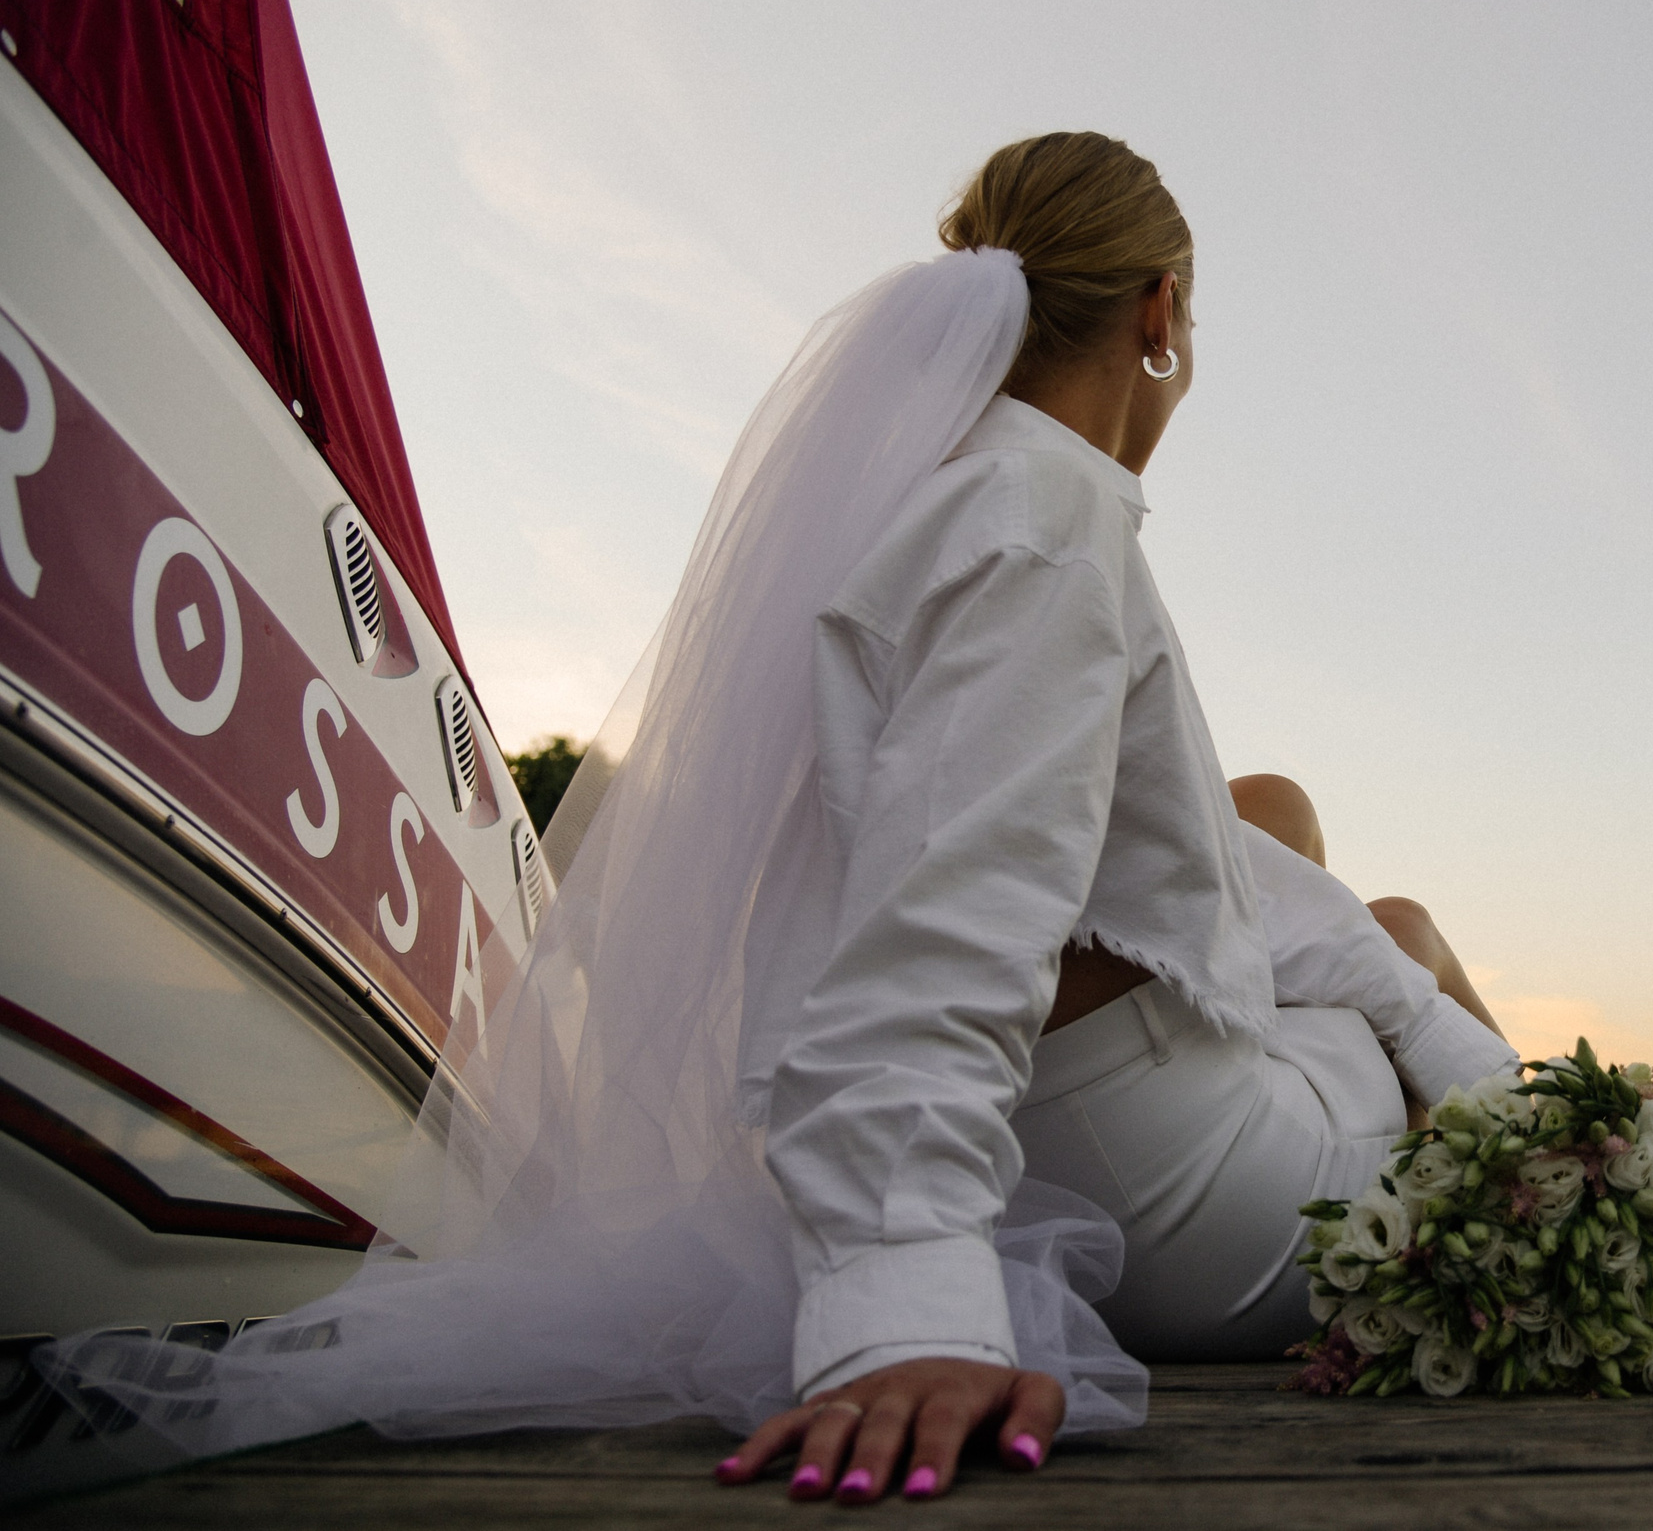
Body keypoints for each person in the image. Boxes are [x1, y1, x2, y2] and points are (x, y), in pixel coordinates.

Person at [35, 134, 1518, 1505]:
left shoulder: (912, 504)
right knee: (1396, 928)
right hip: (1190, 1198)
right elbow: (960, 903)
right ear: (1161, 310)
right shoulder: (1047, 513)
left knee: (1276, 812)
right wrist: (905, 1293)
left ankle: (1521, 1112)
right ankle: (1560, 1142)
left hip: (1076, 1136)